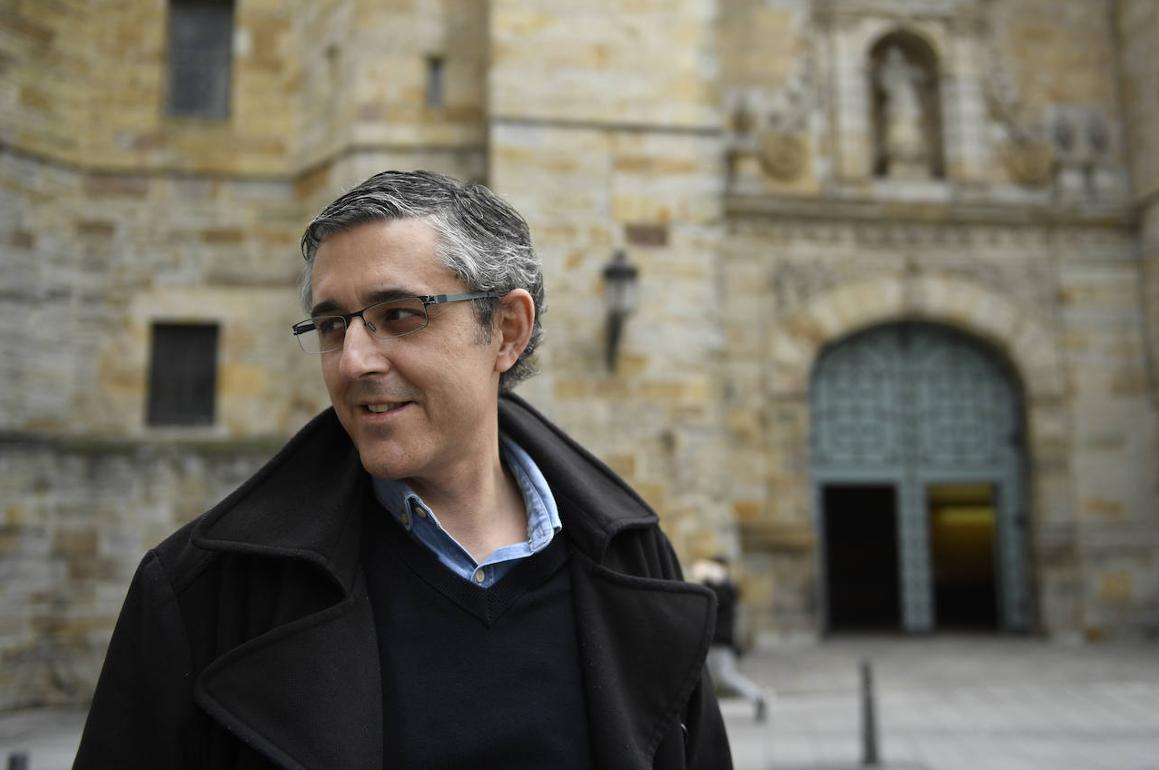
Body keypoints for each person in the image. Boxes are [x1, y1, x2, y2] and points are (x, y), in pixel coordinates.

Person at [74, 170, 732, 769]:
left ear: (506, 330)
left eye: (398, 316)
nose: (354, 359)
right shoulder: (204, 592)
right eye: (332, 325)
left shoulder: (633, 560)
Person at [691, 556, 769, 724]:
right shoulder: (721, 586)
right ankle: (705, 713)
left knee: (722, 676)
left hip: (719, 640)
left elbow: (717, 599)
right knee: (708, 677)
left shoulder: (726, 588)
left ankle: (757, 696)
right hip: (715, 639)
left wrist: (706, 580)